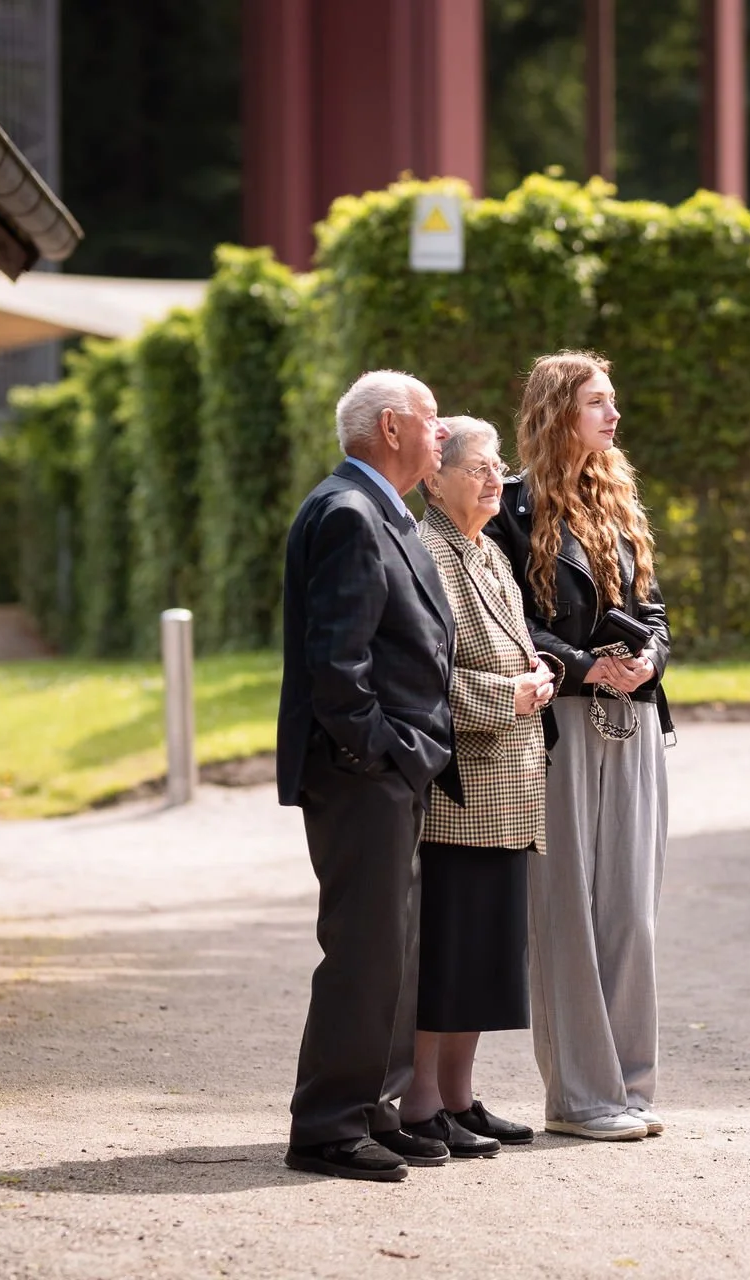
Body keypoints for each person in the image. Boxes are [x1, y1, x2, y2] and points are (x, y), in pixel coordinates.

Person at [277, 370, 463, 1183]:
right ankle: (324, 1127)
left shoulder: (376, 511)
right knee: (363, 952)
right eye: (431, 421)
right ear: (392, 428)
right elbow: (336, 663)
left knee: (393, 951)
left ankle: (368, 1111)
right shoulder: (351, 513)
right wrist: (377, 754)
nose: (442, 436)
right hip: (365, 774)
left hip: (388, 769)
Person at [486, 350, 673, 1142]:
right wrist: (581, 662)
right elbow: (507, 619)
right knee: (567, 914)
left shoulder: (618, 500)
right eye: (599, 401)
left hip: (635, 729)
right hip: (560, 728)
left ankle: (631, 1087)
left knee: (631, 913)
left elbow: (654, 612)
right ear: (560, 411)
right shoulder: (514, 510)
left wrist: (648, 659)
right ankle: (581, 1099)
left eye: (613, 400)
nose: (614, 414)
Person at [398, 416, 559, 1158]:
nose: (498, 480)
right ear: (436, 477)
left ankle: (459, 1099)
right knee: (449, 957)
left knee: (486, 961)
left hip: (511, 792)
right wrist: (513, 698)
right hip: (460, 796)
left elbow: (516, 648)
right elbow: (422, 681)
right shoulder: (425, 551)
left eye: (500, 467)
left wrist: (541, 675)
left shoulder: (489, 550)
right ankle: (421, 1101)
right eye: (480, 468)